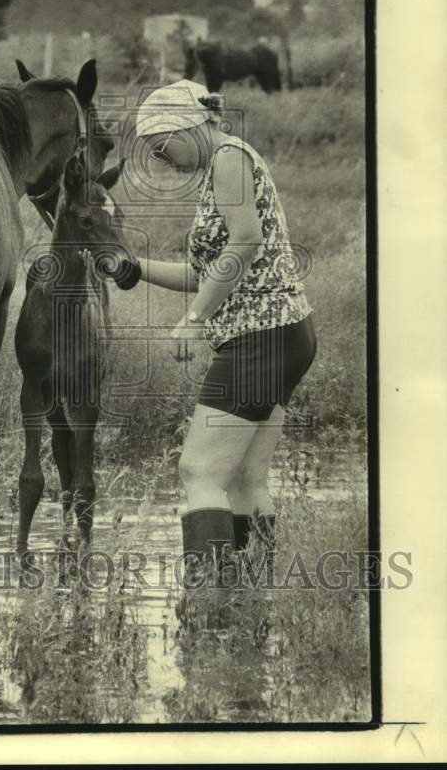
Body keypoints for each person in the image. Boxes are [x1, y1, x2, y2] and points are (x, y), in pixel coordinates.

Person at [127, 78, 317, 583]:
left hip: (258, 339)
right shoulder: (222, 166)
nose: (159, 157)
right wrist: (135, 265)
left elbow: (246, 242)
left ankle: (211, 604)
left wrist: (194, 322)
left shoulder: (229, 156)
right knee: (244, 478)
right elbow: (209, 274)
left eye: (159, 144)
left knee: (200, 472)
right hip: (283, 335)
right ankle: (250, 598)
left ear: (189, 125)